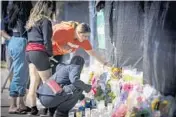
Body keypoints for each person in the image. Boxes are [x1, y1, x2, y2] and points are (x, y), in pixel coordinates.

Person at [25, 1, 55, 115]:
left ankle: (33, 107)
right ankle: (49, 107)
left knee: (34, 81)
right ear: (46, 7)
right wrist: (49, 54)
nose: (51, 10)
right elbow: (47, 39)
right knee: (48, 81)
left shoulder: (31, 21)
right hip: (39, 51)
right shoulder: (45, 21)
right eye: (50, 8)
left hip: (29, 52)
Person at [6, 1, 32, 114]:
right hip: (21, 42)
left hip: (14, 40)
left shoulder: (13, 7)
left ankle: (21, 104)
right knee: (19, 74)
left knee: (23, 75)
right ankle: (13, 105)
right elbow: (24, 29)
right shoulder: (22, 10)